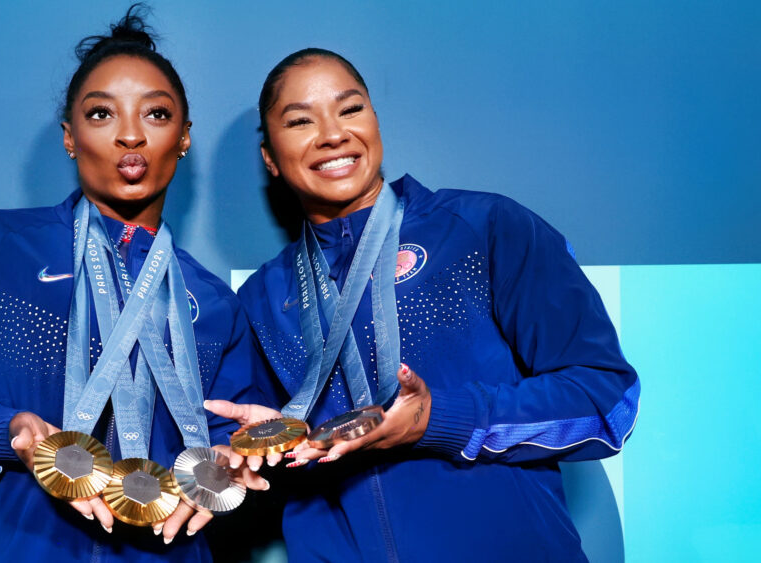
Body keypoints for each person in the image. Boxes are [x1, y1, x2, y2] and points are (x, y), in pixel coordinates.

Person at [206, 48, 640, 561]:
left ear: (374, 120)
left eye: (350, 109)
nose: (332, 133)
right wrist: (253, 446)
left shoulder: (483, 227)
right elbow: (256, 444)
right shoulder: (261, 296)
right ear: (270, 159)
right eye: (301, 121)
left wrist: (437, 419)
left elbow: (605, 400)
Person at [0, 7, 268, 562]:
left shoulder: (217, 302)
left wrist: (230, 469)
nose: (130, 133)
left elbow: (236, 454)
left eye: (156, 113)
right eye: (101, 113)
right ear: (70, 137)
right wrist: (7, 430)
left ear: (183, 138)